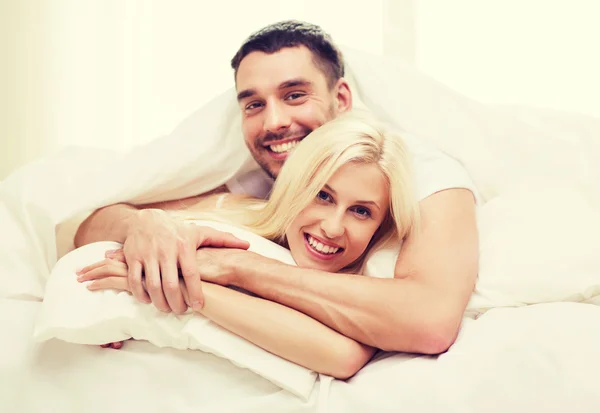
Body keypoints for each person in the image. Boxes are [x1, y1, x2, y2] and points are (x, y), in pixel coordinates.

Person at [74, 20, 479, 354]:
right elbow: (89, 224)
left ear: (340, 98)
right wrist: (145, 224)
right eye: (253, 104)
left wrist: (237, 269)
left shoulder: (418, 171)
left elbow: (429, 321)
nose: (273, 123)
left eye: (295, 95)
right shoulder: (258, 170)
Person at [77, 111, 419, 378]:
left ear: (380, 225)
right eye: (322, 195)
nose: (332, 227)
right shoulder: (232, 208)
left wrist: (186, 284)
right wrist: (143, 222)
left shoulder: (362, 284)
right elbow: (86, 229)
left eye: (360, 211)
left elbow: (342, 357)